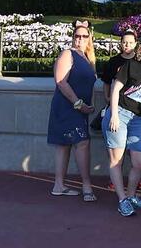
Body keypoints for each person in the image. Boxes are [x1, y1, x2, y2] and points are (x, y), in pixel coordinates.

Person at [103, 36, 141, 216]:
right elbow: (115, 88)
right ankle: (122, 199)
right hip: (119, 114)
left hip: (137, 119)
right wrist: (113, 114)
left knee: (140, 163)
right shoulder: (130, 66)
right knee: (117, 160)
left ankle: (131, 195)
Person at [47, 20, 97, 202]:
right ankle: (86, 186)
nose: (80, 39)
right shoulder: (68, 54)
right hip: (67, 107)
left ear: (89, 38)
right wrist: (79, 104)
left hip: (80, 108)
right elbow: (61, 81)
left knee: (64, 145)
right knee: (81, 143)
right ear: (73, 38)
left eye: (84, 36)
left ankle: (59, 185)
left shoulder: (88, 58)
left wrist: (88, 105)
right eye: (77, 36)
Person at [100, 29, 139, 190]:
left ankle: (135, 179)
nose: (127, 45)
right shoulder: (114, 62)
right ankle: (116, 180)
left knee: (134, 150)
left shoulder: (139, 61)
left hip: (135, 112)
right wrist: (109, 99)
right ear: (120, 44)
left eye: (130, 42)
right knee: (117, 150)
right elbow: (107, 82)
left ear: (135, 44)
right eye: (124, 42)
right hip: (117, 110)